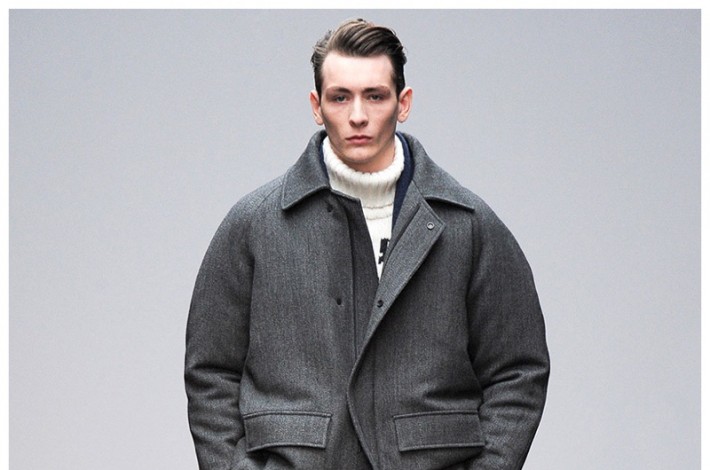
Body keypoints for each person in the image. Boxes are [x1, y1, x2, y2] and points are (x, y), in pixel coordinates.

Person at [185, 18, 550, 470]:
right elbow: (210, 372)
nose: (358, 115)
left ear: (404, 102)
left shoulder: (468, 226)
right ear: (317, 106)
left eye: (375, 95)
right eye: (340, 97)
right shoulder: (254, 225)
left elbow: (518, 371)